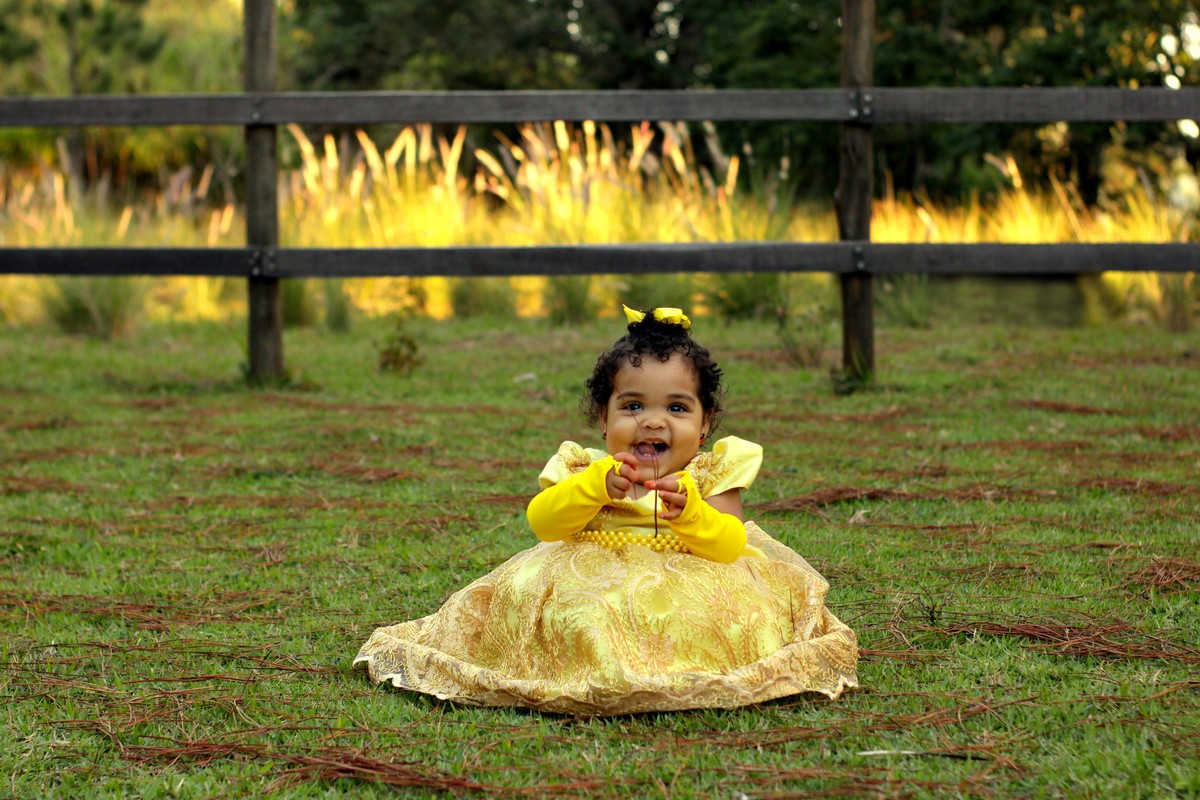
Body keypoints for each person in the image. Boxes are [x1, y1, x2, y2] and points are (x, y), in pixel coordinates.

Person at [354, 306, 858, 715]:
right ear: (603, 418)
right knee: (583, 615)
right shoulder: (584, 467)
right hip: (588, 577)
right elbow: (543, 522)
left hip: (694, 582)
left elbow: (730, 542)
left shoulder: (708, 476)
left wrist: (692, 516)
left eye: (677, 409)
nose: (652, 423)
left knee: (720, 620)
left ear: (705, 425)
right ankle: (590, 675)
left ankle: (669, 678)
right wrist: (596, 487)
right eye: (633, 406)